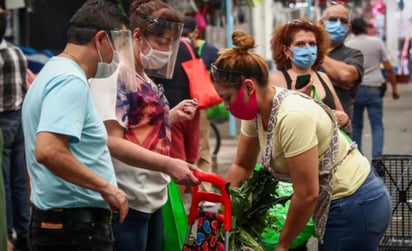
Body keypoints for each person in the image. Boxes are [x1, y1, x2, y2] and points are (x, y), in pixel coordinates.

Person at [212, 29, 391, 251]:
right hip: (329, 201)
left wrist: (282, 246)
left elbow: (307, 194)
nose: (226, 106)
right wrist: (223, 216)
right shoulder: (256, 112)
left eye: (227, 98)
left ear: (249, 87)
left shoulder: (292, 116)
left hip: (354, 202)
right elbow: (242, 166)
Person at [89, 0, 200, 250]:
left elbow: (137, 126)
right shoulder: (115, 75)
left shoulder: (143, 76)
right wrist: (170, 164)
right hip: (128, 201)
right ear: (137, 35)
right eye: (162, 42)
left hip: (151, 197)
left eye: (172, 44)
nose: (168, 51)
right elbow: (113, 141)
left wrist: (170, 116)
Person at [21, 1, 129, 250]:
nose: (120, 57)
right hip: (76, 231)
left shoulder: (52, 72)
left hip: (60, 224)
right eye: (119, 46)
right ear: (101, 39)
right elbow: (47, 151)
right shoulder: (70, 81)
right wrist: (106, 188)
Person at [151, 15, 203, 196]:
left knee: (178, 161)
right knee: (191, 158)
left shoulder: (162, 51)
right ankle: (193, 201)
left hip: (173, 109)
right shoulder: (189, 47)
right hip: (192, 106)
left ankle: (180, 206)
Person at [270, 18, 350, 132]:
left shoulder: (323, 77)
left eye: (312, 44)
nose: (307, 48)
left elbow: (343, 118)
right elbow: (270, 124)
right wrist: (293, 101)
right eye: (300, 44)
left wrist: (344, 119)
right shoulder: (276, 80)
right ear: (286, 51)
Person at [346, 17, 400, 159]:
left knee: (356, 126)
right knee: (377, 126)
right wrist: (394, 88)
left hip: (355, 90)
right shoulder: (377, 42)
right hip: (374, 90)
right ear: (365, 28)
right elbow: (388, 68)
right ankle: (377, 159)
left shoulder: (349, 45)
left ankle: (359, 160)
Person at [0, 6, 31, 251]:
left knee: (4, 182)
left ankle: (8, 233)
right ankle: (24, 230)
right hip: (19, 119)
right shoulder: (16, 52)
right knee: (19, 178)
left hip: (2, 123)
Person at [183, 15, 220, 192]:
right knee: (189, 149)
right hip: (182, 105)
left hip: (198, 105)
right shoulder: (180, 47)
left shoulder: (208, 50)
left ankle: (205, 189)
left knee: (202, 146)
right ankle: (192, 188)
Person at [319, 2, 364, 126]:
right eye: (333, 19)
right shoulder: (305, 52)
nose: (338, 24)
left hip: (340, 127)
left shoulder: (354, 55)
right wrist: (333, 78)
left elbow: (345, 76)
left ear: (348, 28)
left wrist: (317, 55)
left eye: (343, 21)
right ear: (321, 23)